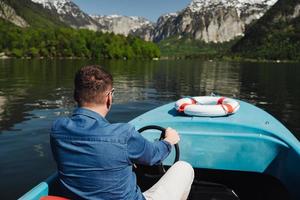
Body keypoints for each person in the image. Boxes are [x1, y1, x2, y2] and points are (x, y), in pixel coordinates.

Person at [50, 65, 194, 200]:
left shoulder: (57, 128)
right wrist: (169, 141)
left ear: (76, 95)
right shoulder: (123, 134)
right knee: (184, 168)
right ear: (109, 97)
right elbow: (154, 156)